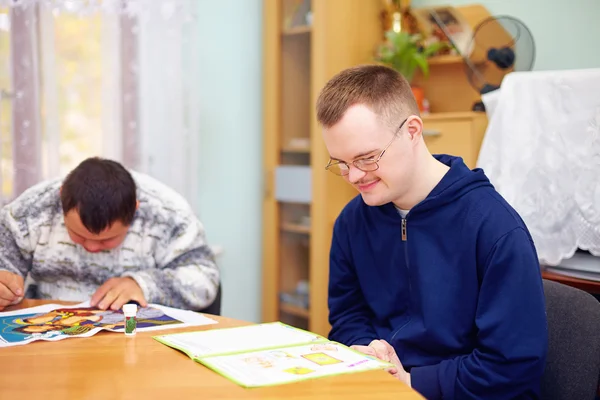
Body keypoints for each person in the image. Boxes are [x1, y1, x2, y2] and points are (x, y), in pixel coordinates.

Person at [315, 65, 547, 399]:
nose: (352, 176)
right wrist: (367, 355)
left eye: (366, 158)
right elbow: (348, 314)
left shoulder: (495, 228)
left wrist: (412, 382)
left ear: (412, 131)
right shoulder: (353, 221)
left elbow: (512, 365)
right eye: (340, 162)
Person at [0, 157, 219, 312]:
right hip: (49, 344)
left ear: (135, 209)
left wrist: (144, 284)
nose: (92, 248)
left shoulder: (167, 212)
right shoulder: (31, 211)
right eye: (78, 235)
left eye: (107, 239)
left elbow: (205, 278)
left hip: (140, 344)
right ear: (61, 200)